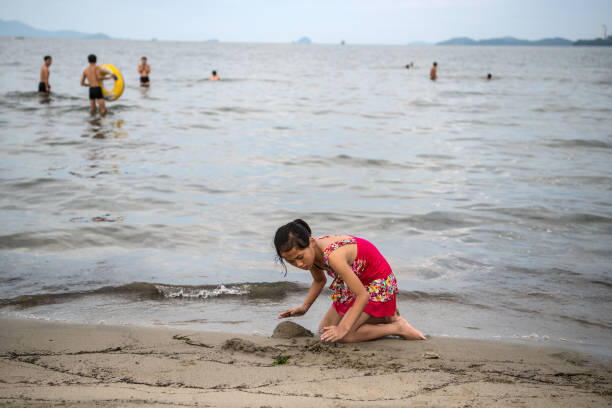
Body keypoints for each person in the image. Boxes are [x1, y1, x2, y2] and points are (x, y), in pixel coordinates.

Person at [275, 219, 426, 343]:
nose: (299, 264)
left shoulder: (333, 256)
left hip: (377, 284)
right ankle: (385, 316)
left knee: (343, 336)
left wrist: (343, 328)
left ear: (311, 242)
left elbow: (363, 295)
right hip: (356, 285)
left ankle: (397, 327)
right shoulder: (312, 255)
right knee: (325, 331)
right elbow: (319, 281)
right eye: (291, 262)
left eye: (300, 257)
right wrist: (304, 307)